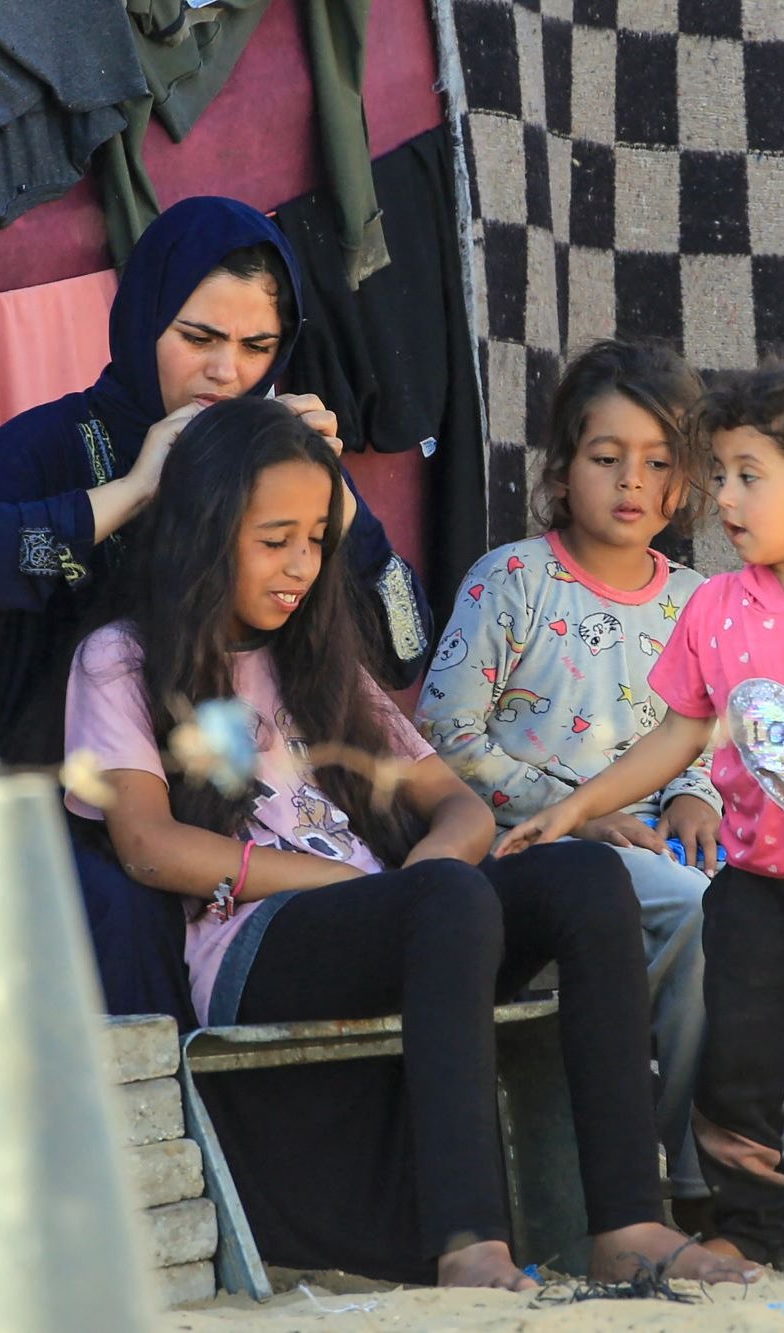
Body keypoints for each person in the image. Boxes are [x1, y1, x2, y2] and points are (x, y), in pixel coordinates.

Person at [62, 395, 755, 1288]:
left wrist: (429, 871)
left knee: (585, 877)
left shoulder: (318, 662)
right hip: (255, 943)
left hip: (406, 915)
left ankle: (626, 1221)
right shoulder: (120, 659)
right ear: (202, 533)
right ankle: (469, 1241)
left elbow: (457, 806)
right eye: (274, 540)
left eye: (317, 540)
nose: (301, 566)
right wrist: (365, 890)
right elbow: (148, 844)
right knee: (445, 896)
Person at [0, 196, 431, 1004]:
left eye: (257, 347)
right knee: (121, 902)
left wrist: (338, 502)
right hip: (44, 814)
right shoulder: (57, 446)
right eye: (198, 338)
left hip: (249, 815)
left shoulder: (277, 470)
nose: (227, 372)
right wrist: (128, 493)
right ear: (145, 320)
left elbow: (401, 646)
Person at [414, 340, 717, 1231]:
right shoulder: (511, 580)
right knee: (695, 911)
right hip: (539, 852)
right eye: (606, 457)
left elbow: (712, 728)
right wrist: (576, 818)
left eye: (658, 462)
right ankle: (696, 1179)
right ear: (559, 470)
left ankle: (751, 1150)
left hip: (667, 842)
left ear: (684, 483)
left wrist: (696, 791)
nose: (632, 482)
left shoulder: (698, 600)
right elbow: (443, 737)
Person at [500, 365, 784, 1268]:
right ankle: (753, 1232)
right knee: (737, 1069)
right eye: (720, 474)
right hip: (753, 889)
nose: (722, 497)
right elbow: (678, 732)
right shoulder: (715, 607)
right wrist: (573, 808)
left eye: (748, 476)